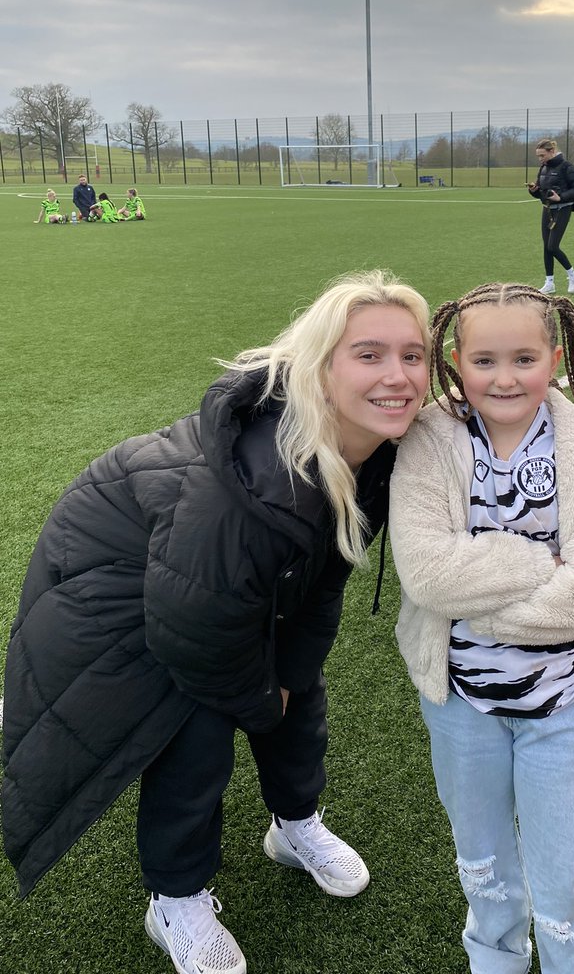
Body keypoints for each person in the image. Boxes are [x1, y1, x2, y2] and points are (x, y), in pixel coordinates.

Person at [2, 271, 431, 974]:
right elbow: (191, 637)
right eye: (369, 354)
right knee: (195, 727)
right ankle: (176, 897)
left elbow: (322, 586)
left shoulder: (372, 451)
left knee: (297, 689)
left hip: (199, 580)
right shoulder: (257, 485)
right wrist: (262, 698)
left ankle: (295, 828)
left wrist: (289, 679)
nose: (398, 375)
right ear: (320, 369)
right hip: (114, 581)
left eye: (412, 355)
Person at [390, 282, 574, 974]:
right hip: (462, 705)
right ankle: (495, 957)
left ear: (554, 357)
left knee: (570, 870)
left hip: (565, 708)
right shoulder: (430, 441)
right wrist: (542, 563)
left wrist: (482, 604)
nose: (505, 378)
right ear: (456, 360)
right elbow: (429, 575)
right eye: (486, 360)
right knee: (483, 854)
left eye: (525, 358)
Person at [527, 138, 574, 295]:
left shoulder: (567, 167)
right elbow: (541, 193)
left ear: (552, 151)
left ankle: (573, 275)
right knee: (546, 247)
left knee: (552, 246)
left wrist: (561, 197)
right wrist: (534, 190)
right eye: (538, 156)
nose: (540, 159)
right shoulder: (543, 168)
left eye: (542, 155)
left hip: (562, 209)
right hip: (547, 209)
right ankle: (549, 282)